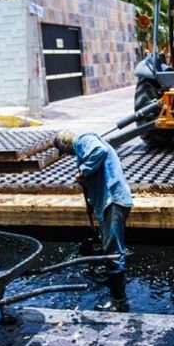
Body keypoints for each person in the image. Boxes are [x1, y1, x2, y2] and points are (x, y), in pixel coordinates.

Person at [54, 130, 133, 312]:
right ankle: (116, 282)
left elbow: (100, 151)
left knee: (112, 253)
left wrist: (83, 170)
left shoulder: (84, 140)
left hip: (113, 202)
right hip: (109, 202)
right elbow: (97, 176)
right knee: (112, 249)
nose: (68, 155)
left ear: (66, 144)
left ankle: (119, 300)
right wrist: (90, 199)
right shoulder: (84, 148)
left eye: (65, 151)